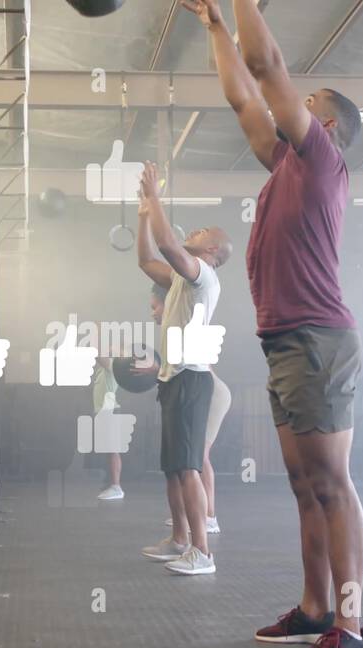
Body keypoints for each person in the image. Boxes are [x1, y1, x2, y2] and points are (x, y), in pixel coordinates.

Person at [185, 0, 363, 648]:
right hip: (285, 342)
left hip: (319, 340)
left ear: (322, 124)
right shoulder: (285, 168)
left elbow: (265, 66)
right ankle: (316, 609)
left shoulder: (321, 160)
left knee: (332, 482)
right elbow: (243, 95)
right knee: (303, 484)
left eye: (308, 97)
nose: (295, 98)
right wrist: (213, 24)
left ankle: (354, 628)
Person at [132, 162, 232, 576]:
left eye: (201, 233)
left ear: (211, 252)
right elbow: (146, 259)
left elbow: (169, 242)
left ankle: (202, 552)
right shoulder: (179, 279)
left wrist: (154, 196)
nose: (193, 234)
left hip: (193, 379)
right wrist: (142, 215)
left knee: (189, 467)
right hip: (172, 379)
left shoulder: (202, 276)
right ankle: (178, 540)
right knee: (174, 468)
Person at [148, 284, 232, 535]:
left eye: (155, 307)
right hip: (204, 391)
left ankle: (209, 517)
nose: (152, 313)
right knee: (190, 459)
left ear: (169, 304)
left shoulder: (182, 321)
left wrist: (154, 369)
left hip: (214, 395)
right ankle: (193, 517)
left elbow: (191, 364)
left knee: (198, 456)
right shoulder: (171, 328)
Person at [93, 359, 125, 500]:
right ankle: (112, 483)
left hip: (109, 409)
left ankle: (116, 487)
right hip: (103, 411)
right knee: (108, 449)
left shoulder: (113, 365)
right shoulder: (102, 371)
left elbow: (99, 355)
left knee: (113, 449)